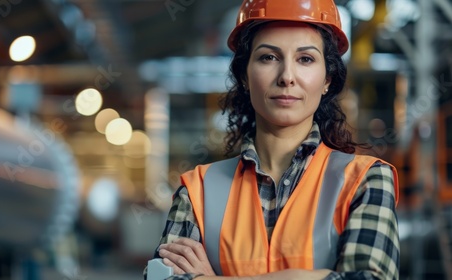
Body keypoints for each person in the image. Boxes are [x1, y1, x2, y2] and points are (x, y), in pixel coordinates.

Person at [144, 0, 400, 279]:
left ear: (327, 78)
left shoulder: (365, 180)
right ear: (244, 75)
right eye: (268, 57)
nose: (287, 77)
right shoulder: (198, 190)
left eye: (305, 59)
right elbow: (160, 276)